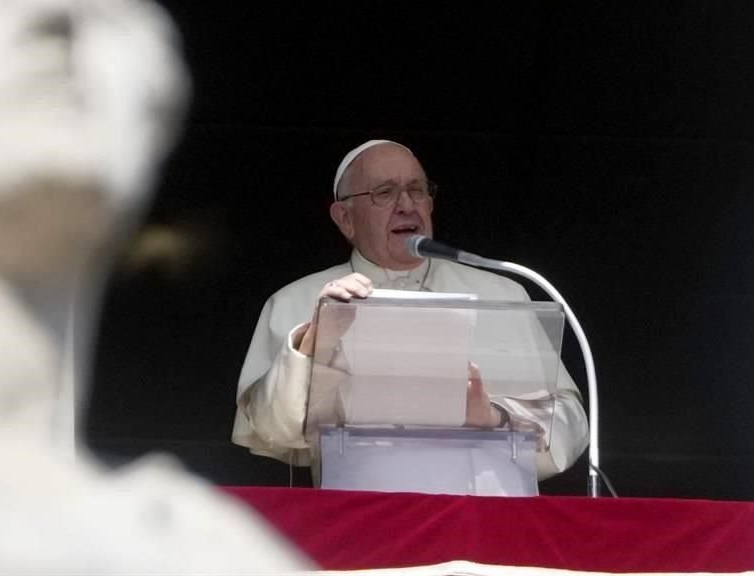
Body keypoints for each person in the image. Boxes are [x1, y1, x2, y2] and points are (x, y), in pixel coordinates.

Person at [232, 140, 588, 486]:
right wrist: (313, 344)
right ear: (345, 219)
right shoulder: (296, 301)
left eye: (417, 190)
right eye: (384, 193)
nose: (406, 205)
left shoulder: (505, 294)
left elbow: (570, 423)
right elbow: (270, 430)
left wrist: (494, 417)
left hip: (487, 524)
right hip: (363, 524)